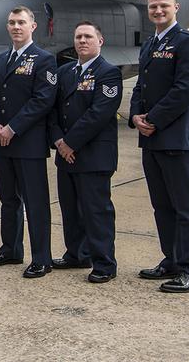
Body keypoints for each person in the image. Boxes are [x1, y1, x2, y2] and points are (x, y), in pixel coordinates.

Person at [131, 0, 189, 293]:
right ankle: (172, 259)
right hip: (151, 138)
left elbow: (185, 89)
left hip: (177, 137)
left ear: (176, 7)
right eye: (153, 7)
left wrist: (153, 119)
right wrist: (135, 115)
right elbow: (140, 86)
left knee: (185, 206)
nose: (158, 11)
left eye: (163, 6)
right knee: (161, 205)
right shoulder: (150, 44)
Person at [0, 6, 57, 278]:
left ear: (33, 27)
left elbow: (43, 100)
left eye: (21, 22)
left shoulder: (44, 59)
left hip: (28, 142)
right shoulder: (2, 60)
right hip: (2, 142)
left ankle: (42, 258)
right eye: (12, 22)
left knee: (35, 202)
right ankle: (10, 249)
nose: (16, 27)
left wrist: (12, 128)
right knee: (8, 200)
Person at [48, 21, 121, 284]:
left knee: (96, 211)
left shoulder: (109, 73)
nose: (82, 41)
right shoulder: (65, 72)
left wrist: (70, 143)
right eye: (78, 36)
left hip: (93, 156)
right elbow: (53, 111)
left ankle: (104, 263)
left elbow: (98, 114)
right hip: (65, 154)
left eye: (88, 36)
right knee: (70, 210)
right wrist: (58, 141)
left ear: (100, 41)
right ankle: (76, 254)